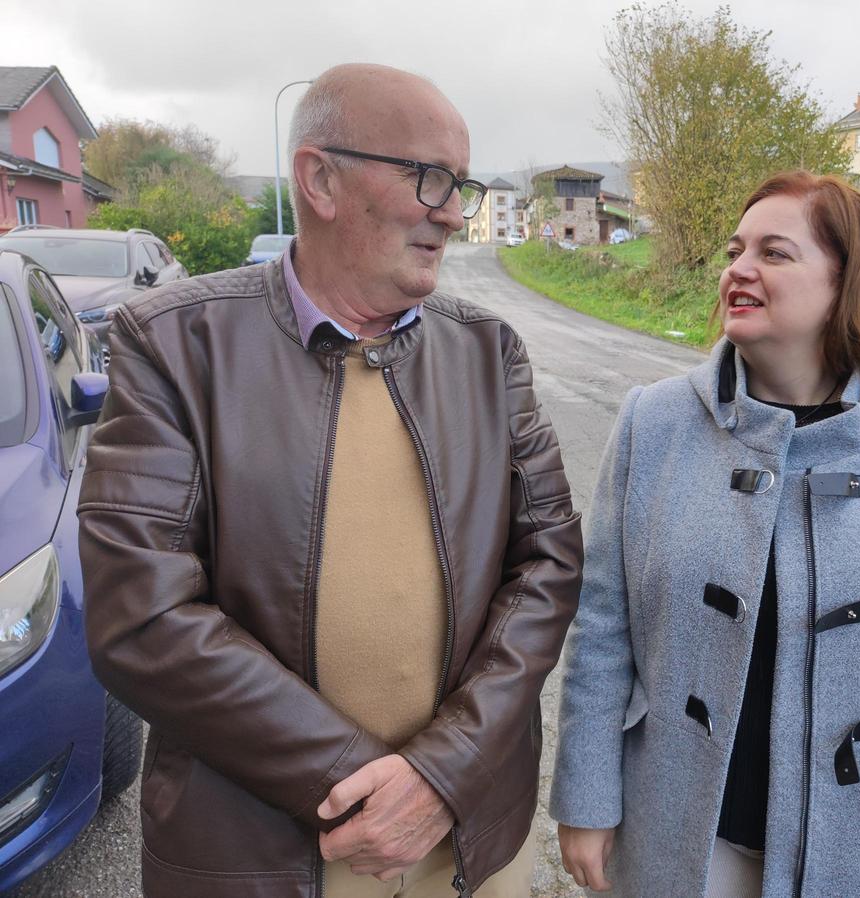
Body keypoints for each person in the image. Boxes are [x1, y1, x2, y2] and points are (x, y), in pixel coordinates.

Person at [78, 64, 583, 898]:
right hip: (264, 857)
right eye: (430, 178)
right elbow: (143, 616)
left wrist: (441, 777)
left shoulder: (490, 354)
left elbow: (550, 565)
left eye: (463, 185)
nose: (455, 213)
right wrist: (372, 787)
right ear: (319, 179)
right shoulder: (174, 345)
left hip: (462, 847)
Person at [550, 170, 860, 898]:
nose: (738, 269)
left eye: (774, 253)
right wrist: (586, 795)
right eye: (736, 249)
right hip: (678, 838)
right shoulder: (655, 422)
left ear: (847, 281)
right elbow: (603, 621)